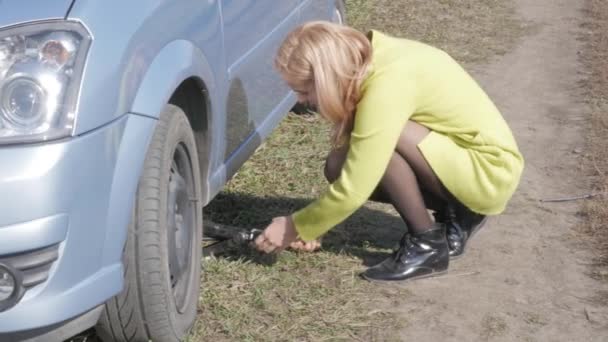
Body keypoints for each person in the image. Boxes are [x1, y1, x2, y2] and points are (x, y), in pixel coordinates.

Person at [254, 21, 524, 282]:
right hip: (465, 159)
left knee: (384, 143)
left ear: (326, 77)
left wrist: (295, 226)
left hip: (490, 172)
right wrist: (315, 224)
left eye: (303, 90)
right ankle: (460, 212)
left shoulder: (388, 83)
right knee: (338, 163)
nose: (301, 100)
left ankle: (426, 244)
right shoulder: (375, 57)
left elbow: (355, 187)